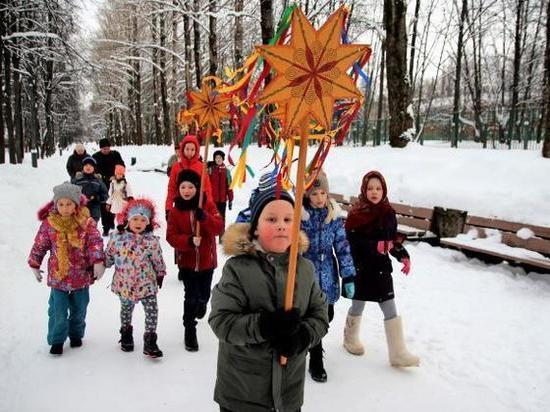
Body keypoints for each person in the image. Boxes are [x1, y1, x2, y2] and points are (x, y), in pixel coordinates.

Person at [209, 185, 329, 412]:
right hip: (242, 393)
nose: (282, 225)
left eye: (288, 219)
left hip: (288, 394)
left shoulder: (304, 269)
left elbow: (320, 316)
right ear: (255, 229)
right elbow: (222, 322)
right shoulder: (237, 269)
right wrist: (265, 326)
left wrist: (302, 337)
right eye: (272, 219)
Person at [342, 170, 419, 367]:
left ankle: (398, 353)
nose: (374, 192)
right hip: (361, 269)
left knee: (389, 305)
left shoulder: (388, 213)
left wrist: (403, 256)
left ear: (384, 190)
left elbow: (392, 241)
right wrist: (373, 246)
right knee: (358, 305)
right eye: (370, 188)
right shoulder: (356, 215)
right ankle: (350, 339)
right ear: (364, 190)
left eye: (378, 188)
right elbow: (351, 242)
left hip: (381, 269)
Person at [28, 182, 105, 355]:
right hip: (59, 276)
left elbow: (95, 242)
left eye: (69, 204)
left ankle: (76, 334)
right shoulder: (50, 224)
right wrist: (35, 263)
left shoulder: (86, 222)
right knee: (58, 312)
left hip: (81, 275)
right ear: (55, 204)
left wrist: (98, 261)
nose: (65, 208)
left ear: (76, 204)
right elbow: (40, 245)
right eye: (61, 204)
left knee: (79, 310)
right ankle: (57, 340)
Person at [300, 170, 356, 382]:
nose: (319, 198)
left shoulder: (333, 216)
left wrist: (348, 275)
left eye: (323, 193)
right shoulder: (301, 216)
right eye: (314, 194)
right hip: (307, 275)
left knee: (327, 316)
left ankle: (308, 341)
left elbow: (342, 247)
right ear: (307, 195)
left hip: (328, 275)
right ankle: (316, 359)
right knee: (314, 317)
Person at [166, 170, 223, 351]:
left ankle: (202, 303)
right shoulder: (175, 211)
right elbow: (171, 237)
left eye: (191, 186)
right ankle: (189, 329)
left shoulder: (208, 205)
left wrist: (204, 218)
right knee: (190, 297)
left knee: (204, 295)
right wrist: (189, 241)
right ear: (178, 189)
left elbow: (218, 228)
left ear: (197, 188)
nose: (187, 190)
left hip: (207, 262)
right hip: (188, 264)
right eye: (183, 187)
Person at [105, 198, 166, 358]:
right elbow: (108, 258)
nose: (138, 223)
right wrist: (98, 264)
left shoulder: (151, 241)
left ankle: (150, 340)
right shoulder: (117, 239)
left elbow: (158, 260)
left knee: (152, 310)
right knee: (126, 309)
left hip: (147, 284)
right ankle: (126, 334)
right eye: (135, 219)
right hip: (125, 284)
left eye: (143, 220)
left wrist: (161, 273)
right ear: (128, 220)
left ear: (148, 222)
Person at [165, 134, 213, 220]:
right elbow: (171, 188)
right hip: (180, 205)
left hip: (197, 206)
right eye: (187, 149)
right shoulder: (176, 167)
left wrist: (208, 208)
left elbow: (207, 188)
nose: (189, 152)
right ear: (182, 149)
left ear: (196, 150)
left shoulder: (201, 167)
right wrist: (168, 208)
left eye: (192, 149)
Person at [93, 138, 125, 236]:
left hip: (115, 183)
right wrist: (101, 177)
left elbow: (122, 166)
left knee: (114, 203)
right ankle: (105, 227)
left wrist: (117, 176)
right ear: (100, 149)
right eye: (104, 149)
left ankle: (111, 221)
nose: (106, 150)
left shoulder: (115, 154)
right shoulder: (96, 156)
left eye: (107, 148)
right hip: (101, 184)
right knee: (104, 205)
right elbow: (94, 170)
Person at [72, 156, 109, 223]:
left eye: (91, 165)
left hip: (94, 208)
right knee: (79, 226)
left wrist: (97, 197)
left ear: (94, 168)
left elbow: (105, 194)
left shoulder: (98, 180)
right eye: (86, 165)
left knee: (92, 227)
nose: (88, 167)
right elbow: (71, 191)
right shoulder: (77, 180)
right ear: (82, 167)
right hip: (80, 207)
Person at [207, 150, 233, 240]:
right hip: (212, 200)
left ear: (223, 159)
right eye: (216, 158)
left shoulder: (227, 171)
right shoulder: (210, 170)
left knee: (222, 218)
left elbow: (230, 186)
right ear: (214, 159)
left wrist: (230, 199)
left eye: (220, 158)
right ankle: (212, 236)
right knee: (212, 218)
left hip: (222, 200)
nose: (218, 159)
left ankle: (222, 237)